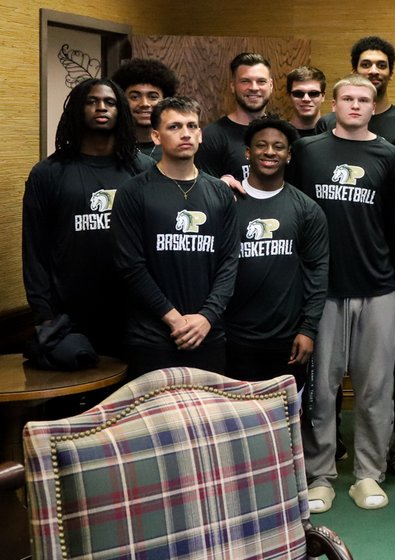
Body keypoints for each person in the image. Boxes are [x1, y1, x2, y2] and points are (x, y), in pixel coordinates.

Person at [289, 74, 395, 513]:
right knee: (322, 389)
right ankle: (320, 476)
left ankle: (368, 474)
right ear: (332, 104)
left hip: (377, 287)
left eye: (364, 100)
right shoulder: (308, 151)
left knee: (376, 388)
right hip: (323, 290)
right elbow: (294, 212)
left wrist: (386, 273)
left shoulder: (389, 156)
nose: (355, 106)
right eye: (348, 99)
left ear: (374, 107)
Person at [23, 78, 154, 358]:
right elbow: (34, 249)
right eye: (92, 101)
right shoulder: (48, 173)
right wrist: (43, 314)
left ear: (120, 111)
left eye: (109, 102)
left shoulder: (143, 169)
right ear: (77, 110)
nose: (101, 108)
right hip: (70, 316)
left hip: (134, 311)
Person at [111, 96, 238, 377]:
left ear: (201, 134)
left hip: (208, 334)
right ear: (156, 136)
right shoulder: (133, 192)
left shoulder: (219, 193)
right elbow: (130, 266)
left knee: (207, 421)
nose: (185, 133)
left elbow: (229, 262)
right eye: (175, 127)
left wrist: (206, 317)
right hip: (152, 337)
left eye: (192, 126)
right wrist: (173, 319)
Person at [225, 117, 328, 385]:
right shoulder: (224, 203)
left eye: (278, 147)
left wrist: (309, 330)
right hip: (232, 336)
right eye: (261, 145)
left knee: (285, 421)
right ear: (248, 152)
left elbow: (317, 271)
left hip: (288, 340)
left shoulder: (307, 209)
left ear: (289, 155)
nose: (270, 152)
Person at [319, 36, 395, 142]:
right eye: (366, 65)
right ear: (354, 72)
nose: (373, 71)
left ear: (391, 73)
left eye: (381, 65)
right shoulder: (328, 123)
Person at [197, 52, 274, 185]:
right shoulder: (212, 136)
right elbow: (206, 194)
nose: (254, 88)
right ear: (233, 86)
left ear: (271, 85)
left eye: (261, 81)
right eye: (245, 81)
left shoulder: (283, 134)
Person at [111, 58, 179, 157]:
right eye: (135, 97)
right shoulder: (110, 148)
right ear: (122, 99)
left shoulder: (176, 148)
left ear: (165, 100)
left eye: (152, 97)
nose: (144, 103)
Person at [287, 66, 326, 137]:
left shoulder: (336, 134)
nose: (306, 99)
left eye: (313, 93)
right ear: (289, 96)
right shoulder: (278, 134)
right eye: (298, 93)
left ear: (323, 96)